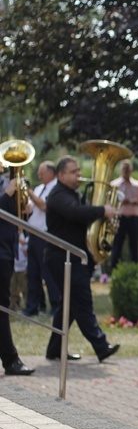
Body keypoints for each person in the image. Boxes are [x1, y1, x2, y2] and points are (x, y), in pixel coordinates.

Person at [44, 156, 120, 362]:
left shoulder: (73, 194)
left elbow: (84, 217)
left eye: (78, 170)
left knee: (68, 305)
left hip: (73, 256)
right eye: (73, 171)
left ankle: (54, 348)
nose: (79, 174)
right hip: (62, 257)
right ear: (60, 175)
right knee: (82, 301)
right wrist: (102, 210)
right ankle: (101, 346)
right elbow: (74, 213)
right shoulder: (58, 195)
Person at [0, 177, 34, 376]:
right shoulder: (7, 189)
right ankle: (11, 360)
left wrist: (24, 209)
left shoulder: (7, 182)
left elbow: (13, 219)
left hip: (6, 252)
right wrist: (7, 195)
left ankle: (11, 359)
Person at [23, 161, 60, 317]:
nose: (39, 175)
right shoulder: (39, 188)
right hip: (33, 234)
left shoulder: (55, 188)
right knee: (33, 273)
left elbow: (44, 206)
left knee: (47, 273)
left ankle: (56, 306)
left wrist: (28, 192)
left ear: (51, 173)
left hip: (45, 235)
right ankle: (33, 306)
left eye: (41, 173)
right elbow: (30, 208)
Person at [109, 159, 138, 269]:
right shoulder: (114, 185)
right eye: (124, 169)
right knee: (117, 246)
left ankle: (135, 271)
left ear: (131, 170)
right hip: (120, 218)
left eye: (128, 169)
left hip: (134, 218)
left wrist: (136, 202)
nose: (126, 171)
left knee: (134, 247)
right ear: (121, 170)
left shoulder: (137, 185)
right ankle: (114, 272)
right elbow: (109, 203)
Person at [10, 230, 28, 311]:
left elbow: (25, 248)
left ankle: (26, 305)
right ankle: (12, 305)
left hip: (22, 267)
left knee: (24, 288)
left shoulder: (22, 237)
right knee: (12, 288)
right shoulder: (11, 235)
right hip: (13, 266)